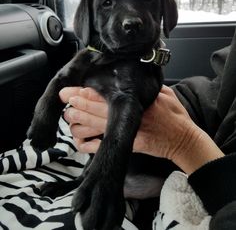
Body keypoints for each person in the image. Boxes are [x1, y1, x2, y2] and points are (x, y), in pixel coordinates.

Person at [1, 29, 236, 230]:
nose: (129, 18)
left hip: (205, 178)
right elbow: (221, 90)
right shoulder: (96, 52)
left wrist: (183, 140)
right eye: (107, 3)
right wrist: (169, 107)